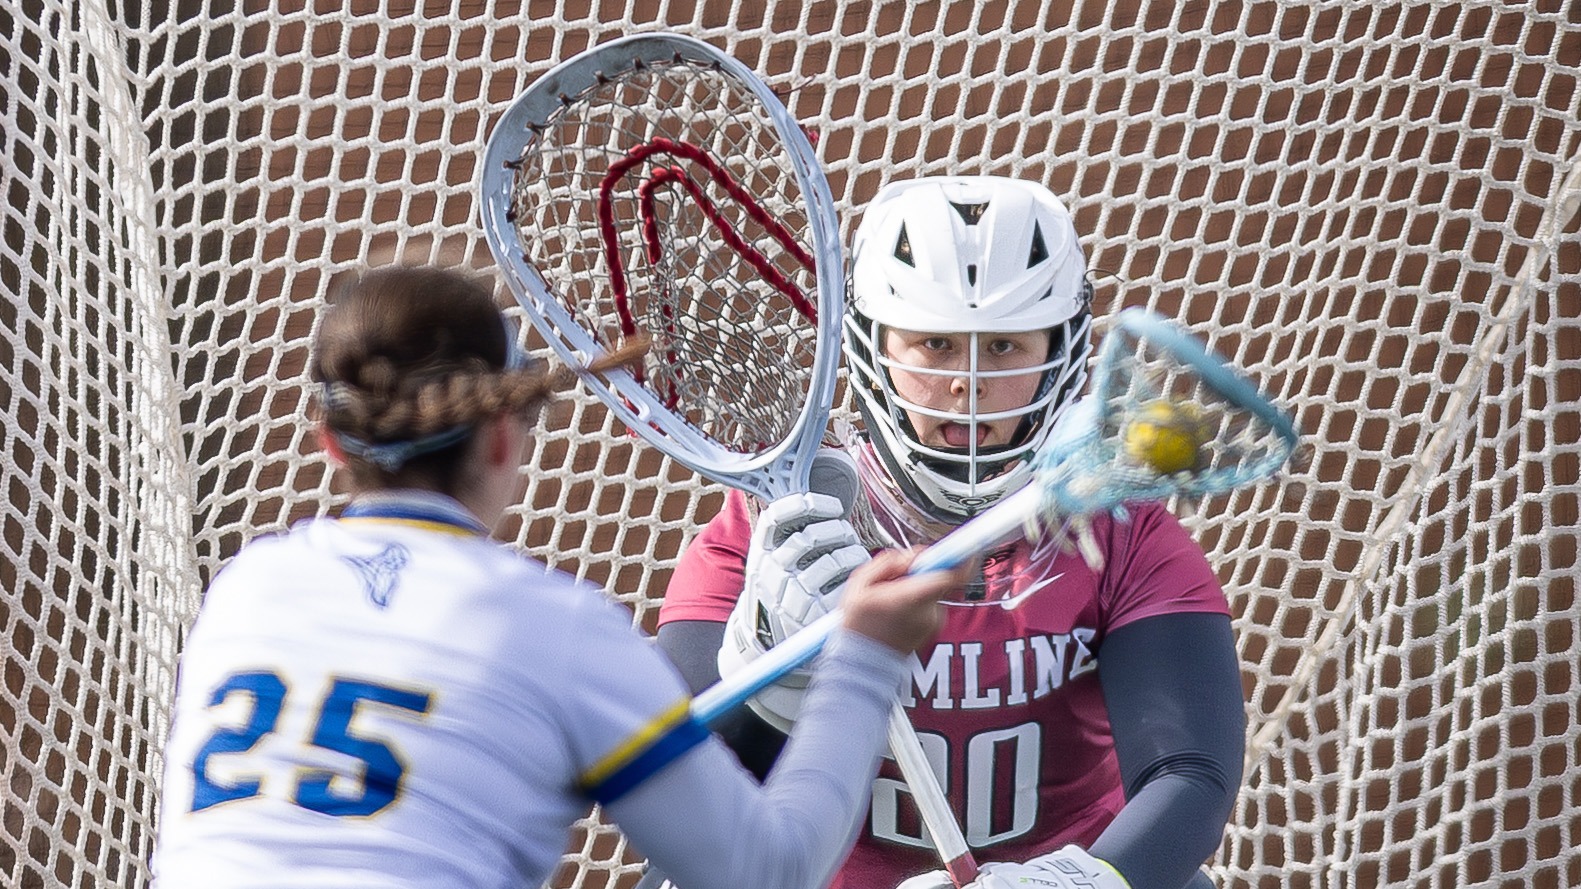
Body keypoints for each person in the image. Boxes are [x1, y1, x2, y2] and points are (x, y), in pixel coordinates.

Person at [150, 265, 973, 889]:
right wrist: (864, 654)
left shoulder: (244, 589)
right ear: (504, 439)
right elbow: (764, 871)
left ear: (331, 443)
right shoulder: (554, 628)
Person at [656, 177, 1247, 889]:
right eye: (935, 344)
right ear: (875, 348)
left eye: (1001, 346)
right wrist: (764, 679)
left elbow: (1188, 769)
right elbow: (675, 812)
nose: (968, 381)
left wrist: (1085, 881)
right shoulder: (775, 533)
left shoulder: (1118, 532)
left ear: (1058, 349)